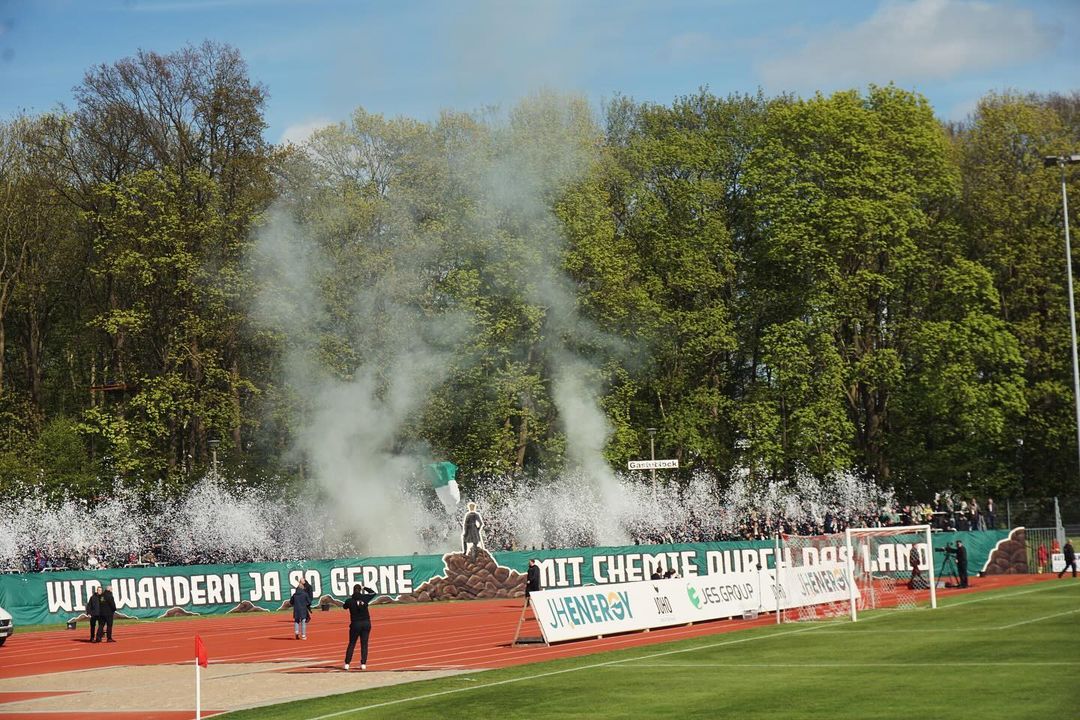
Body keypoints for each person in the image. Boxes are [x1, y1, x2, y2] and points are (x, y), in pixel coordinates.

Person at [342, 584, 377, 671]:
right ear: (360, 590)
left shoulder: (349, 601)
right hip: (366, 623)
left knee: (352, 644)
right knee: (364, 644)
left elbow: (344, 607)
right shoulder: (365, 598)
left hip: (355, 624)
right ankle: (363, 663)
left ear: (353, 591)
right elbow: (373, 593)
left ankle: (347, 663)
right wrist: (365, 587)